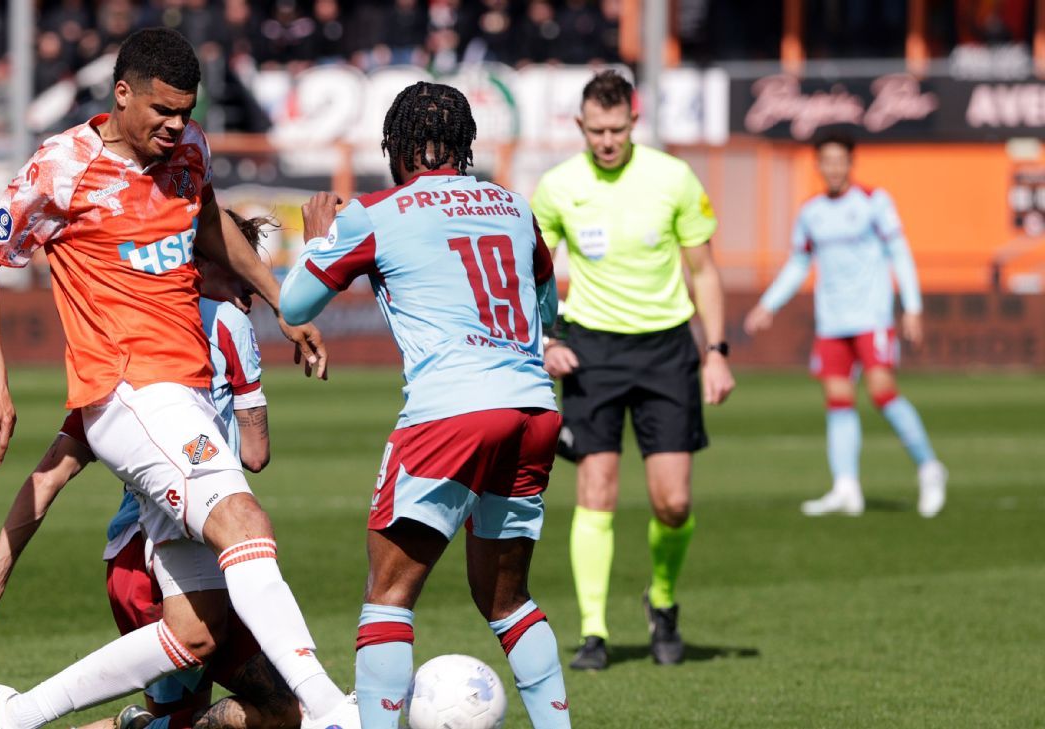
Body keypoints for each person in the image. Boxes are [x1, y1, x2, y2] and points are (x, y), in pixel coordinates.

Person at [0, 28, 356, 729]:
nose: (176, 125)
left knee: (196, 629)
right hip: (126, 387)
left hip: (178, 393)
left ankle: (13, 713)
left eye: (185, 111)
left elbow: (209, 219)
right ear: (121, 93)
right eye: (162, 110)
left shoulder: (190, 152)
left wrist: (282, 302)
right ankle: (337, 711)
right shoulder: (61, 166)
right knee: (246, 519)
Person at [0, 212, 300, 729]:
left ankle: (19, 717)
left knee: (197, 719)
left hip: (132, 563)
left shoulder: (123, 374)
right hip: (170, 553)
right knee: (284, 711)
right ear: (192, 265)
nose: (249, 291)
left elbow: (49, 475)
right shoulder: (225, 326)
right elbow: (255, 455)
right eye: (239, 273)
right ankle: (18, 713)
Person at [281, 81, 571, 729]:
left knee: (388, 597)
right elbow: (550, 310)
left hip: (451, 414)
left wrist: (319, 240)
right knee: (507, 599)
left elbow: (295, 306)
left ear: (397, 149)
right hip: (533, 410)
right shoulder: (514, 207)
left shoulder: (376, 212)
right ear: (464, 149)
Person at [531, 70, 735, 669]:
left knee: (672, 503)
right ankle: (594, 632)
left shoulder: (673, 178)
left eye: (617, 129)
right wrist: (544, 339)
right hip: (592, 350)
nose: (607, 140)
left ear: (634, 122)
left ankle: (663, 600)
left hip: (667, 351)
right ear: (580, 125)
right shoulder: (558, 186)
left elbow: (705, 272)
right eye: (596, 130)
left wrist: (716, 351)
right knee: (597, 492)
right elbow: (533, 275)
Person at [744, 131, 947, 518]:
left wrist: (913, 307)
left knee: (882, 393)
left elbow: (899, 253)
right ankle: (846, 487)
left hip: (871, 317)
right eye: (826, 161)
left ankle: (929, 468)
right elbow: (799, 263)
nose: (834, 168)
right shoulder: (811, 213)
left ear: (851, 163)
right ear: (818, 165)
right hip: (832, 322)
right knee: (838, 402)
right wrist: (768, 304)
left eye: (840, 160)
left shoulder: (874, 203)